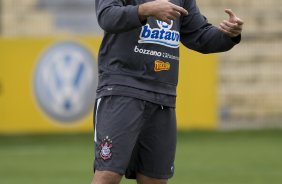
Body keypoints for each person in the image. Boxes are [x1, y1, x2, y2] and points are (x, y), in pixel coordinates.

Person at [92, 0, 243, 183]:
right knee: (108, 175)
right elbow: (107, 16)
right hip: (122, 88)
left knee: (154, 179)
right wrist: (145, 10)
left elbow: (200, 35)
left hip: (163, 96)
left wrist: (228, 35)